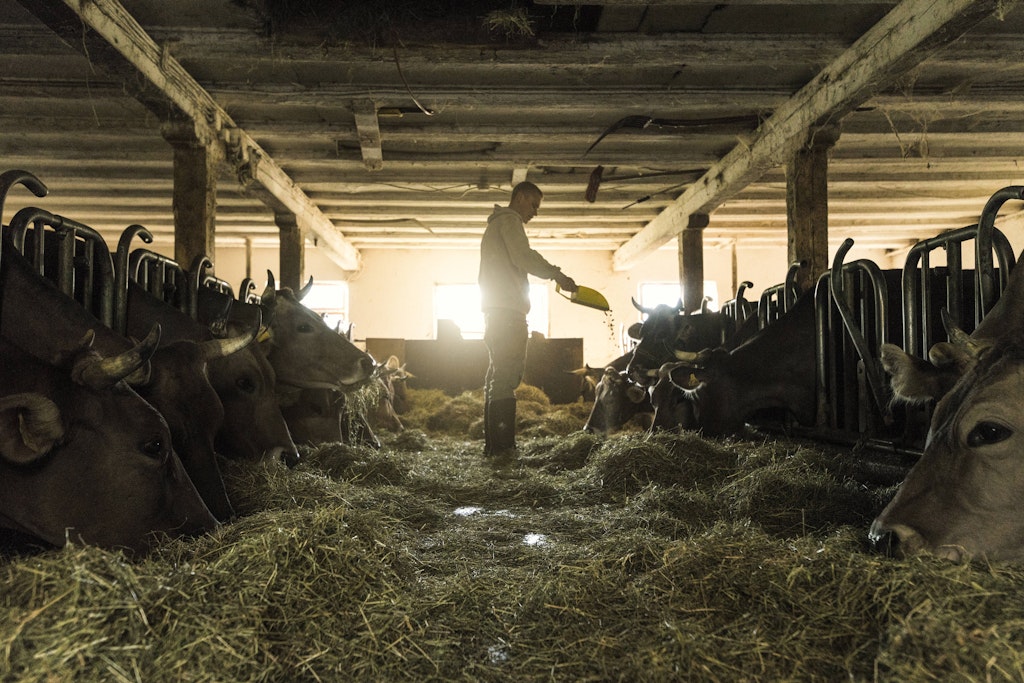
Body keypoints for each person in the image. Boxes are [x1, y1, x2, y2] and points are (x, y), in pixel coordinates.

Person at [478, 181, 577, 458]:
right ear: (519, 197)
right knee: (506, 376)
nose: (535, 212)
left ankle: (493, 447)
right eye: (533, 204)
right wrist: (556, 273)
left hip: (495, 312)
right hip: (508, 313)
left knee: (496, 376)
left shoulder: (495, 225)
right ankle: (503, 449)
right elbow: (524, 257)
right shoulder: (509, 221)